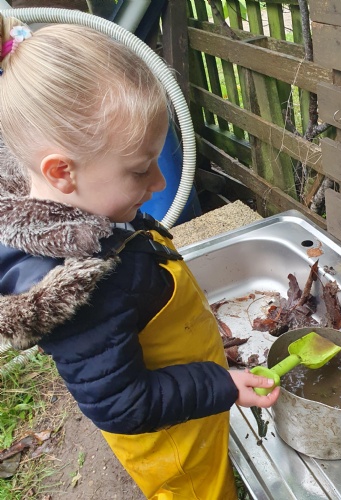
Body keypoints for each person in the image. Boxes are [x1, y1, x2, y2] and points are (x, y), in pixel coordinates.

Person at [0, 16, 280, 500]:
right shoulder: (80, 291)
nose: (161, 183)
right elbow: (123, 405)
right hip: (174, 447)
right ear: (61, 172)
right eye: (139, 169)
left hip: (186, 395)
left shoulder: (87, 208)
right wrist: (221, 386)